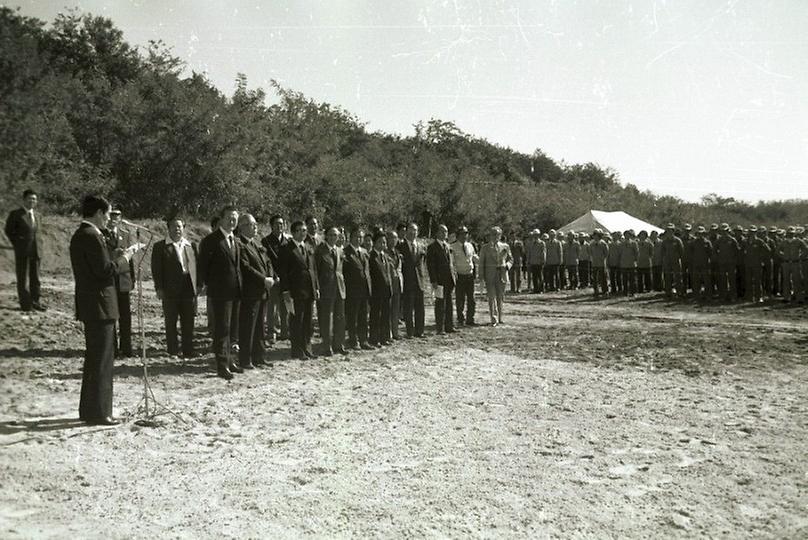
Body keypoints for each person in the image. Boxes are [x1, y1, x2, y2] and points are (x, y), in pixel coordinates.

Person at [70, 195, 131, 425]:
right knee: (102, 361)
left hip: (93, 305)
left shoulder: (82, 235)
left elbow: (98, 267)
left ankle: (89, 410)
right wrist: (124, 259)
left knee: (95, 359)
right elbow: (104, 271)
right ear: (97, 213)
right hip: (100, 305)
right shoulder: (91, 236)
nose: (108, 219)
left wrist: (112, 259)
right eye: (107, 214)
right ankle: (100, 412)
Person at [198, 205, 242, 380]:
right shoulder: (211, 241)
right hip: (220, 293)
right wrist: (212, 286)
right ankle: (222, 365)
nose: (232, 220)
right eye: (229, 217)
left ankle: (231, 361)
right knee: (222, 329)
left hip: (235, 292)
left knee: (233, 330)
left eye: (235, 218)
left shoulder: (235, 240)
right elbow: (203, 267)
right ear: (222, 219)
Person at [151, 216, 198, 357]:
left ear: (183, 228)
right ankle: (172, 350)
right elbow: (156, 269)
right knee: (171, 320)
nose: (177, 229)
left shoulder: (190, 245)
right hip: (170, 288)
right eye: (174, 226)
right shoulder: (160, 246)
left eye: (179, 226)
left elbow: (196, 267)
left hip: (188, 287)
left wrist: (198, 284)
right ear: (168, 228)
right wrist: (159, 288)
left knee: (188, 320)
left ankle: (188, 350)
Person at [237, 213, 275, 369]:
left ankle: (260, 357)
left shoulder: (256, 244)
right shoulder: (240, 245)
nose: (255, 227)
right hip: (250, 292)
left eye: (255, 225)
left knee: (260, 326)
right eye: (251, 225)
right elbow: (246, 268)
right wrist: (263, 279)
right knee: (248, 327)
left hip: (262, 291)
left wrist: (271, 276)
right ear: (242, 227)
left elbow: (268, 262)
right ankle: (246, 359)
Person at [279, 220, 320, 359]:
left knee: (308, 321)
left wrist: (316, 287)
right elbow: (283, 272)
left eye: (304, 230)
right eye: (299, 230)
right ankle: (297, 350)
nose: (302, 233)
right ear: (292, 232)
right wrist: (286, 291)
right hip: (295, 291)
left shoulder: (308, 247)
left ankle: (307, 348)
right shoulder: (286, 249)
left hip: (309, 290)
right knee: (297, 321)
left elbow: (313, 269)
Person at [4, 189, 44, 311]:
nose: (32, 201)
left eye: (34, 199)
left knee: (35, 278)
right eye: (30, 198)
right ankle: (26, 305)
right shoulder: (16, 214)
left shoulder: (38, 215)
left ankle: (35, 302)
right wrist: (18, 243)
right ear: (24, 199)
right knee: (23, 279)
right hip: (23, 251)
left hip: (36, 251)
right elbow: (9, 231)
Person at [104, 209, 134, 357]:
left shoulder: (126, 234)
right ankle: (113, 349)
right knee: (111, 315)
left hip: (123, 279)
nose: (113, 219)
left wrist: (132, 278)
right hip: (109, 278)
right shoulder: (101, 234)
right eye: (111, 215)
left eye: (117, 216)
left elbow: (130, 258)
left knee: (125, 315)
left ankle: (127, 348)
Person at [315, 227, 347, 356]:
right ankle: (327, 346)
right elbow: (316, 271)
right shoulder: (320, 251)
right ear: (326, 236)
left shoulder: (340, 250)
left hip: (340, 288)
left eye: (335, 235)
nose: (333, 237)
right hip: (326, 288)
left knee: (340, 317)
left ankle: (339, 344)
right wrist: (317, 288)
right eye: (331, 235)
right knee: (327, 318)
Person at [261, 215, 289, 344]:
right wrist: (273, 275)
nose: (280, 226)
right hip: (273, 279)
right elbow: (266, 261)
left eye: (282, 224)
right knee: (272, 307)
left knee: (285, 306)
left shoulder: (287, 241)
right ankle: (271, 332)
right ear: (271, 226)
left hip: (286, 279)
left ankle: (284, 331)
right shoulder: (265, 241)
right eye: (277, 224)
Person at [343, 227, 373, 350]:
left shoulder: (365, 252)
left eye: (360, 237)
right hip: (352, 290)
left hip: (364, 289)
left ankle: (364, 340)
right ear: (351, 237)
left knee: (363, 317)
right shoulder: (346, 252)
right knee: (352, 317)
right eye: (356, 236)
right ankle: (353, 340)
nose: (358, 239)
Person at [478, 226, 512, 326]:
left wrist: (507, 266)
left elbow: (511, 259)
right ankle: (493, 317)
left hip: (501, 274)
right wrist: (481, 276)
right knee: (491, 296)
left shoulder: (505, 246)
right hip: (490, 275)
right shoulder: (485, 248)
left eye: (497, 234)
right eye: (493, 234)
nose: (495, 236)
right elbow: (481, 263)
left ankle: (501, 317)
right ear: (490, 236)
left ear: (500, 235)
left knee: (500, 296)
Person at [399, 222, 428, 338]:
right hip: (408, 280)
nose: (413, 233)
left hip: (419, 280)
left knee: (420, 307)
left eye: (415, 230)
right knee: (408, 308)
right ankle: (410, 332)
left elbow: (423, 263)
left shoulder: (421, 246)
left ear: (418, 232)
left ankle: (420, 331)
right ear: (407, 232)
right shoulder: (401, 246)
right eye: (411, 230)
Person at [427, 224, 456, 334]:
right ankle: (440, 327)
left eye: (446, 232)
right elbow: (431, 265)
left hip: (449, 279)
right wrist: (433, 280)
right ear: (437, 233)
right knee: (440, 304)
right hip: (439, 280)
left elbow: (451, 263)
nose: (445, 234)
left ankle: (449, 325)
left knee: (449, 303)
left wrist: (454, 276)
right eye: (443, 232)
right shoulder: (432, 247)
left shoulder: (447, 246)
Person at [368, 230, 393, 347]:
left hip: (386, 290)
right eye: (380, 242)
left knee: (385, 315)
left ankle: (384, 337)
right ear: (374, 243)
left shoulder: (385, 256)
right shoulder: (371, 257)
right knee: (375, 316)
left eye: (384, 242)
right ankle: (374, 338)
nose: (382, 245)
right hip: (376, 292)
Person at [451, 226, 477, 326]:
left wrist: (485, 261)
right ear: (458, 235)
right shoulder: (452, 247)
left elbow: (474, 257)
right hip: (459, 276)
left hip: (469, 275)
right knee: (460, 299)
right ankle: (460, 318)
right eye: (462, 234)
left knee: (472, 299)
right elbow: (451, 262)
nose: (464, 236)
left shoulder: (470, 245)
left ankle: (470, 318)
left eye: (466, 233)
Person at [714, 223, 740, 302]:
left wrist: (734, 261)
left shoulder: (732, 240)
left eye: (725, 231)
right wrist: (718, 258)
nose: (724, 233)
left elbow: (737, 251)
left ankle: (733, 296)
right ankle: (723, 296)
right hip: (722, 263)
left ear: (728, 231)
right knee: (723, 280)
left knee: (732, 280)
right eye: (722, 231)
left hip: (731, 263)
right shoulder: (718, 241)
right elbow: (714, 250)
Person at [744, 226, 771, 303]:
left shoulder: (759, 241)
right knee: (748, 281)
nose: (752, 234)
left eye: (753, 232)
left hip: (757, 264)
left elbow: (768, 250)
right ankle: (750, 297)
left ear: (756, 233)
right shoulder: (746, 241)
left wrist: (761, 258)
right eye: (751, 232)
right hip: (748, 264)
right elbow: (741, 251)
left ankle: (759, 297)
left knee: (757, 281)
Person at [385, 230, 404, 339]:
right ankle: (388, 334)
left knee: (396, 310)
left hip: (398, 284)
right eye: (391, 238)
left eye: (395, 238)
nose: (393, 240)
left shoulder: (397, 253)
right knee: (388, 309)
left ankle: (395, 332)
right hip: (388, 284)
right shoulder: (385, 252)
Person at [688, 226, 713, 301]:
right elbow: (690, 252)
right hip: (696, 264)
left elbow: (711, 253)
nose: (700, 235)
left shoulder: (707, 242)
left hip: (705, 264)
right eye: (699, 233)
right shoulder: (693, 242)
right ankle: (697, 295)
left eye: (701, 233)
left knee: (706, 280)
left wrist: (709, 261)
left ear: (704, 234)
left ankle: (708, 295)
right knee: (696, 280)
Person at [660, 224, 685, 299]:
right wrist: (665, 259)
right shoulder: (664, 241)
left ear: (673, 231)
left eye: (670, 231)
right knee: (667, 277)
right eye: (667, 231)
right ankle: (668, 292)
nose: (669, 233)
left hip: (676, 261)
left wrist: (678, 258)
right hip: (667, 262)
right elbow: (662, 251)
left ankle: (679, 292)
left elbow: (682, 251)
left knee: (678, 277)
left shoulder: (677, 240)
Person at [588, 229, 609, 297]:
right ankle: (596, 291)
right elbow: (590, 252)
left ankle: (605, 291)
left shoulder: (603, 243)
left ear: (600, 235)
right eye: (594, 235)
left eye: (597, 235)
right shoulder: (591, 243)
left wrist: (602, 258)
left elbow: (606, 253)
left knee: (603, 278)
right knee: (595, 278)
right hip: (594, 263)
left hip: (601, 263)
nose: (595, 236)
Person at [525, 229, 545, 294]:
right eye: (534, 235)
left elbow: (543, 252)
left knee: (540, 276)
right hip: (533, 262)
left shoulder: (542, 243)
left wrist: (543, 260)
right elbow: (529, 253)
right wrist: (528, 261)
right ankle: (535, 289)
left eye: (537, 235)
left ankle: (541, 289)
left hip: (539, 262)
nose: (535, 236)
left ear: (539, 235)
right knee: (534, 276)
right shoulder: (531, 243)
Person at [618, 230, 638, 296]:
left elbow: (636, 253)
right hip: (624, 264)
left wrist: (635, 260)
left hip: (631, 263)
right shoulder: (621, 244)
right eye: (625, 234)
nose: (627, 236)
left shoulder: (634, 243)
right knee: (624, 279)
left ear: (630, 235)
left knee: (632, 279)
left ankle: (633, 292)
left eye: (628, 234)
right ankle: (625, 292)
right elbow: (619, 253)